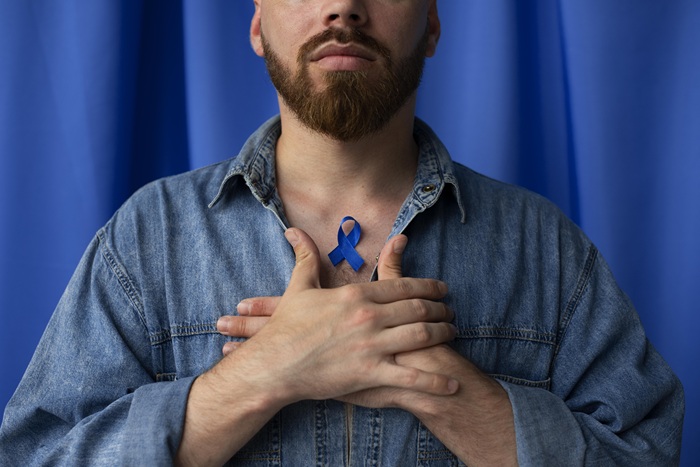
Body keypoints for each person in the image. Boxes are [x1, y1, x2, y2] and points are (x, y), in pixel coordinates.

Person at [0, 0, 684, 465]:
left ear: (432, 25)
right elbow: (37, 454)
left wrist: (444, 387)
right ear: (258, 25)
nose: (344, 8)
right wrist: (265, 373)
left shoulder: (544, 247)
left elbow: (647, 452)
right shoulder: (147, 237)